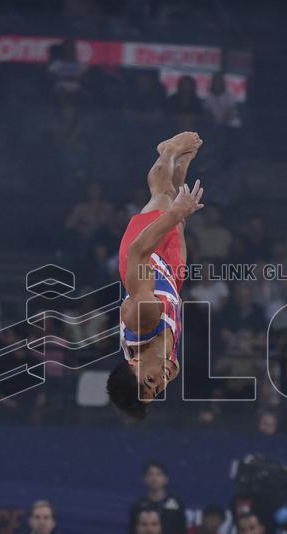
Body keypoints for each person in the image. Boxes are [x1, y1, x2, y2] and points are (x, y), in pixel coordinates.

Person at [107, 131, 204, 420]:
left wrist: (173, 216)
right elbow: (176, 310)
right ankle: (181, 162)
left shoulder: (142, 318)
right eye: (158, 390)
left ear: (133, 364)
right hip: (170, 277)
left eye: (150, 381)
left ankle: (168, 150)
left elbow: (138, 252)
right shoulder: (171, 368)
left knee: (162, 195)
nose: (161, 381)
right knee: (178, 211)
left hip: (143, 254)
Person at [127, 460, 187, 534]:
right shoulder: (137, 506)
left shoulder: (177, 504)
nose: (154, 478)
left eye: (158, 474)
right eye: (151, 474)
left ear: (166, 479)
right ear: (144, 479)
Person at [114, 507, 179, 534]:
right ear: (137, 527)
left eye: (154, 524)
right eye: (144, 524)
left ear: (160, 527)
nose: (149, 529)